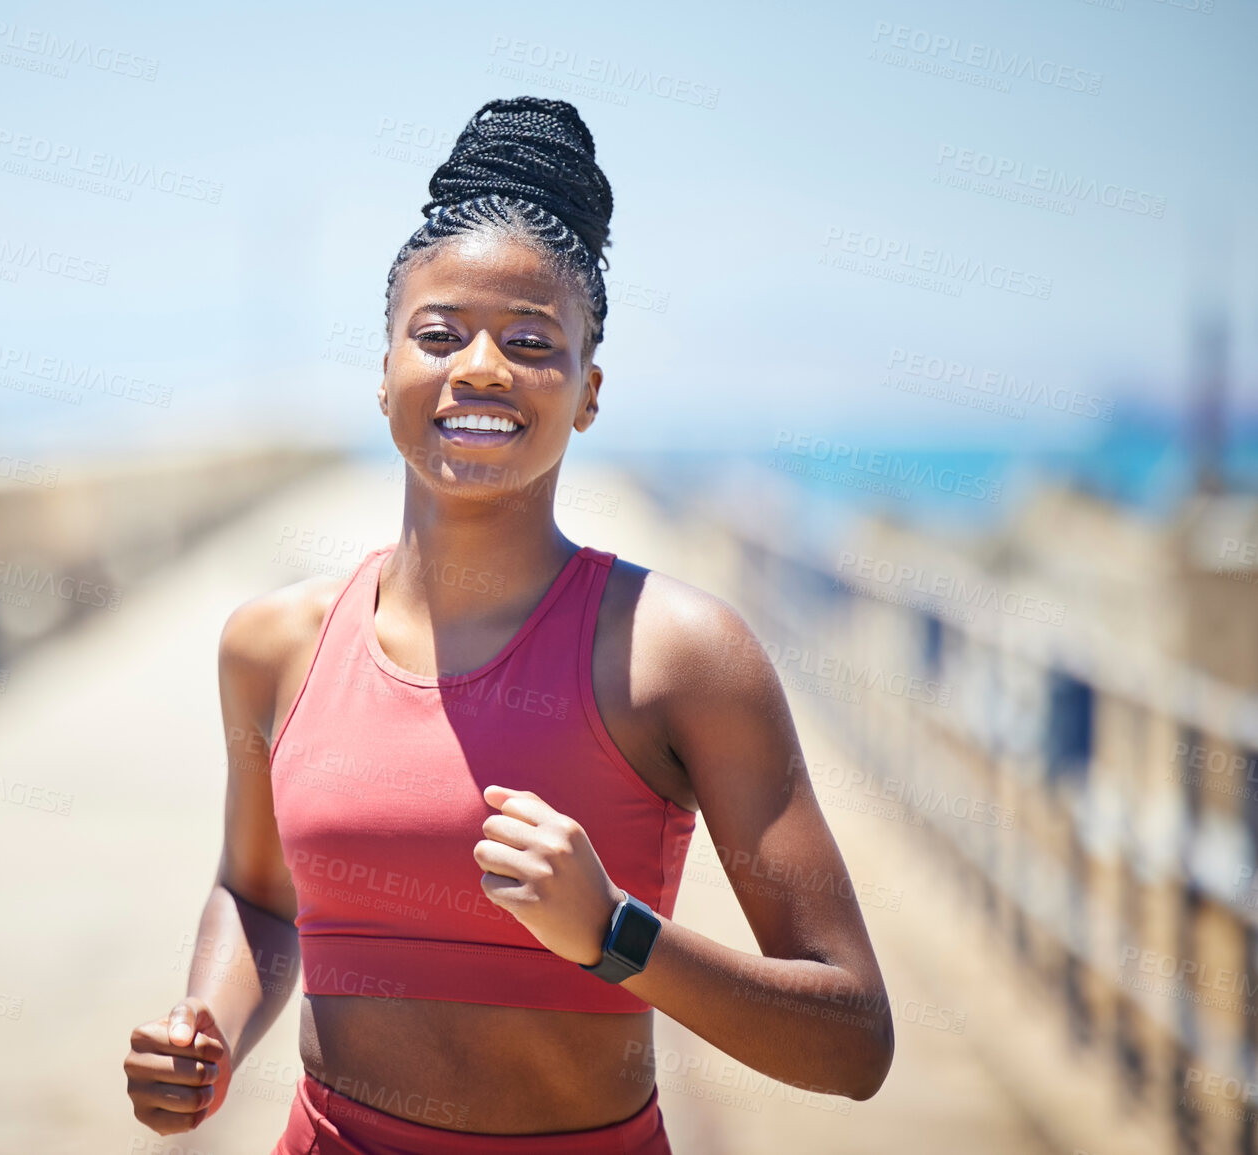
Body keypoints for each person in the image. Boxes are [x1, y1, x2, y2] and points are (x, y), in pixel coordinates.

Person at [124, 95, 894, 1153]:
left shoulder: (681, 656)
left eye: (532, 342)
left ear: (587, 392)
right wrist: (205, 1028)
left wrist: (618, 936)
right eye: (437, 335)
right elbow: (256, 896)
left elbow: (853, 1040)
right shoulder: (273, 647)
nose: (480, 366)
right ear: (385, 369)